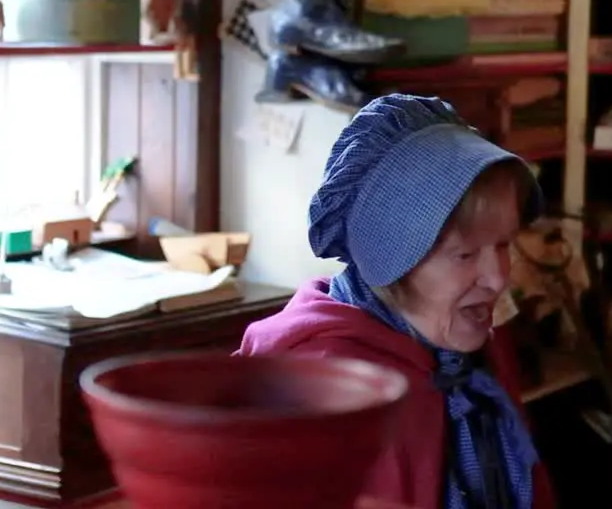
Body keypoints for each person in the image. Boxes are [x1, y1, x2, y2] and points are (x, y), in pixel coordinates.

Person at [237, 94, 554, 509]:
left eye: (503, 244)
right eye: (464, 254)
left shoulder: (474, 357)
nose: (498, 278)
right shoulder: (315, 385)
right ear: (393, 257)